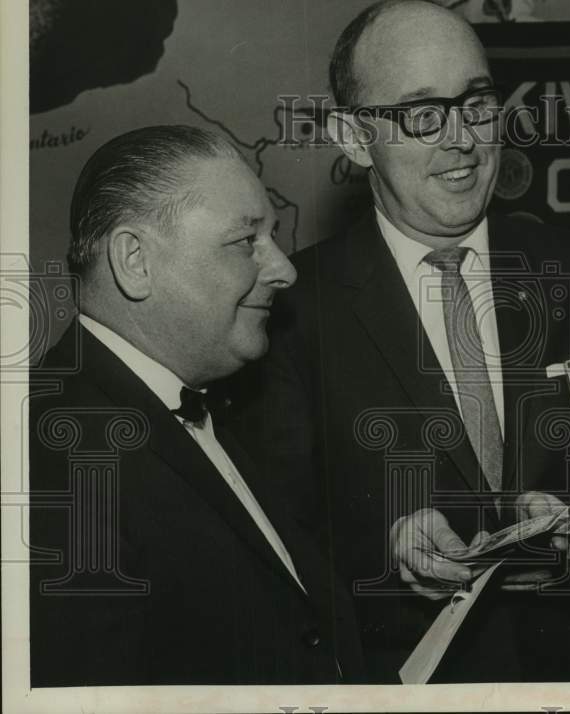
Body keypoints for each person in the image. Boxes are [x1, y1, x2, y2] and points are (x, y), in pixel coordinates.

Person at [230, 0, 570, 682]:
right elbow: (269, 525)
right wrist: (386, 546)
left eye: (477, 103)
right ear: (353, 138)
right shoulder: (294, 308)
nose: (464, 140)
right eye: (422, 114)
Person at [29, 125, 363, 686]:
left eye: (274, 237)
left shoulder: (204, 408)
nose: (285, 269)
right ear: (135, 260)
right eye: (245, 241)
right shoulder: (58, 461)